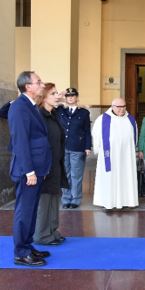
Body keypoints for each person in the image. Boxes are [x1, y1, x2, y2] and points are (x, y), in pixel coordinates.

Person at [8, 71, 52, 266]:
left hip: (37, 168)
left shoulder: (30, 106)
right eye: (38, 82)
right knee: (24, 212)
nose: (41, 84)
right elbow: (20, 143)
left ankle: (27, 245)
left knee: (31, 210)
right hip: (28, 171)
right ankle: (20, 252)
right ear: (28, 86)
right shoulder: (19, 108)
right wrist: (29, 171)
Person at [34, 83, 69, 245]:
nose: (58, 96)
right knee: (45, 201)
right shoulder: (38, 115)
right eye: (53, 93)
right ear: (43, 97)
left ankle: (52, 230)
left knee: (55, 198)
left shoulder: (53, 113)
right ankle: (42, 235)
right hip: (44, 165)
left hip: (56, 163)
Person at [92, 98, 139, 210]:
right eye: (119, 107)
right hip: (109, 156)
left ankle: (127, 200)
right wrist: (98, 150)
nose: (121, 109)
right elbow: (96, 135)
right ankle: (108, 202)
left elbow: (135, 137)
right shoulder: (103, 119)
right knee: (109, 177)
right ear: (112, 106)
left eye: (123, 106)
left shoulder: (130, 120)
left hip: (126, 157)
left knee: (126, 175)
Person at [57, 88, 92, 209]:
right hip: (62, 147)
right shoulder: (60, 110)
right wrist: (60, 95)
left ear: (77, 97)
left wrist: (88, 146)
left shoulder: (84, 113)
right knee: (65, 174)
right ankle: (66, 198)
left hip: (78, 147)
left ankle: (75, 199)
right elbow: (50, 101)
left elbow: (87, 131)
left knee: (76, 175)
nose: (70, 98)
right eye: (68, 96)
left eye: (73, 95)